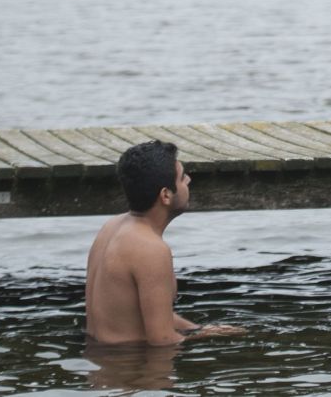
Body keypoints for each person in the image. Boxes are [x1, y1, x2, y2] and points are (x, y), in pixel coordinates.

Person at [85, 140, 241, 345]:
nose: (189, 180)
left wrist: (198, 329)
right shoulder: (150, 249)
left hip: (101, 361)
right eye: (182, 177)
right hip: (131, 369)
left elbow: (132, 314)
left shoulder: (111, 227)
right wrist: (209, 337)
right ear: (166, 195)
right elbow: (162, 340)